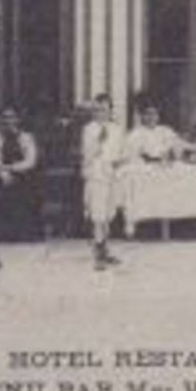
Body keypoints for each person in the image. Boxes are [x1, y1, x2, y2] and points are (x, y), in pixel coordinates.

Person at [80, 95, 126, 270]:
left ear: (110, 110)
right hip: (96, 173)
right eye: (97, 110)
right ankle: (98, 252)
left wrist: (118, 162)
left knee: (109, 213)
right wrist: (98, 143)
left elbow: (121, 151)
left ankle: (105, 249)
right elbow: (87, 154)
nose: (101, 113)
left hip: (112, 174)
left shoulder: (117, 129)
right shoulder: (89, 129)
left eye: (105, 109)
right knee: (98, 214)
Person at [0, 106, 41, 240]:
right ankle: (3, 233)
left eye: (11, 117)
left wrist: (11, 168)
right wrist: (2, 172)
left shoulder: (26, 137)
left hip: (22, 174)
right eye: (5, 117)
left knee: (27, 191)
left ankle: (25, 233)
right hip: (2, 174)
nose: (8, 121)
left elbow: (30, 160)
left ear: (17, 120)